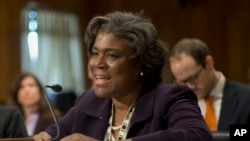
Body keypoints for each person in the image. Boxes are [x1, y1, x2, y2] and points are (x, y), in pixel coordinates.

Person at [33, 11, 212, 141]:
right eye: (95, 53)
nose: (98, 63)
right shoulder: (89, 101)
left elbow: (199, 136)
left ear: (141, 63)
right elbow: (51, 135)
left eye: (112, 55)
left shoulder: (169, 99)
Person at [169, 38, 250, 132]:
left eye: (194, 77)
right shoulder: (179, 107)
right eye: (183, 82)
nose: (190, 86)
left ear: (209, 62)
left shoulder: (246, 98)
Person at [8, 72, 61, 137]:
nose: (27, 90)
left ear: (40, 91)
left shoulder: (52, 118)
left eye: (31, 85)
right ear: (16, 94)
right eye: (21, 87)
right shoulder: (10, 120)